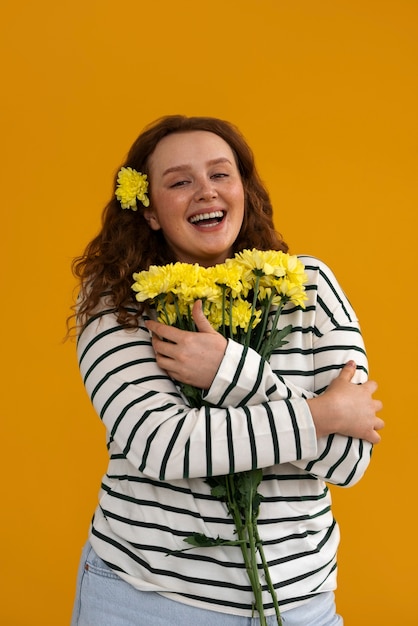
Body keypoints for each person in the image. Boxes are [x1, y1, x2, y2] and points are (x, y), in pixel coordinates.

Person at [69, 115, 384, 626]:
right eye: (179, 182)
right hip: (145, 600)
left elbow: (348, 461)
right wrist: (323, 414)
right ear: (149, 211)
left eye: (221, 175)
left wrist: (232, 372)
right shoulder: (119, 303)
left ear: (243, 189)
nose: (205, 192)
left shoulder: (311, 287)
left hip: (297, 607)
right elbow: (163, 446)